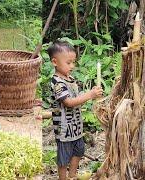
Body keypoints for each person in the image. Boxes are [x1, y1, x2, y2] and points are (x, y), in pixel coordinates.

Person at [47, 40, 103, 180]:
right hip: (64, 129)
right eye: (68, 62)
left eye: (74, 62)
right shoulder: (57, 82)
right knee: (64, 157)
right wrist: (89, 95)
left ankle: (72, 175)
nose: (72, 66)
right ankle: (63, 178)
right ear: (55, 62)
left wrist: (89, 96)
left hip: (76, 127)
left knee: (78, 151)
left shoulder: (70, 79)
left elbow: (77, 99)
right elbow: (68, 102)